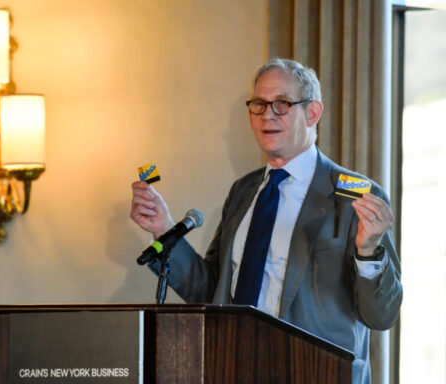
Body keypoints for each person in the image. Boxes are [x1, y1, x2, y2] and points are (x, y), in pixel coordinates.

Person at [131, 58, 402, 383]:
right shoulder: (243, 191)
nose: (267, 115)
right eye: (259, 104)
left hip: (317, 374)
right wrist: (164, 228)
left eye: (282, 104)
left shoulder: (355, 195)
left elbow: (381, 315)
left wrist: (369, 252)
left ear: (313, 113)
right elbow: (210, 290)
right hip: (231, 367)